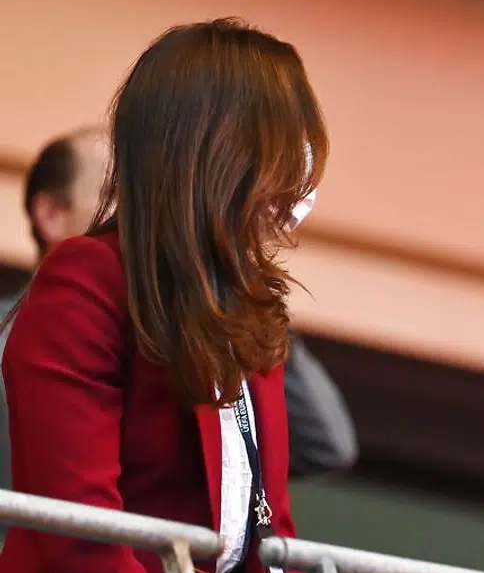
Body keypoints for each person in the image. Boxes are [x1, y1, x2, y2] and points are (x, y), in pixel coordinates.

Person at [0, 19, 327, 573]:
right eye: (281, 160)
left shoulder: (250, 317)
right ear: (217, 157)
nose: (296, 194)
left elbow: (272, 531)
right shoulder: (86, 283)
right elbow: (81, 535)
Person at [3, 127, 357, 497]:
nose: (149, 214)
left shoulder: (188, 348)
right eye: (121, 193)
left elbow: (323, 444)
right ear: (52, 214)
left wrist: (246, 302)